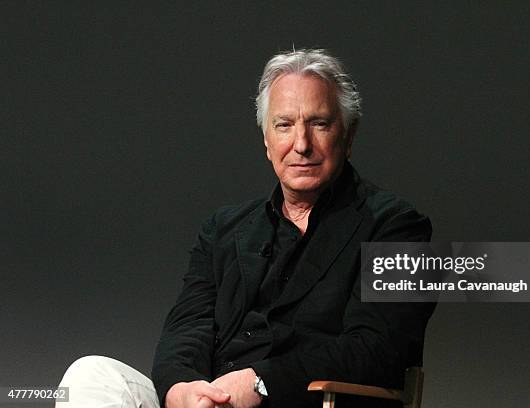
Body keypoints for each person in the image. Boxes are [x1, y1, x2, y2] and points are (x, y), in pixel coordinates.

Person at [56, 48, 435, 408]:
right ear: (267, 142)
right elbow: (187, 328)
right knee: (91, 375)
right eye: (284, 125)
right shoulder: (224, 228)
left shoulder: (397, 226)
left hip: (299, 399)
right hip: (212, 397)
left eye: (319, 124)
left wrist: (259, 383)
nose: (301, 144)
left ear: (348, 137)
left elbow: (376, 348)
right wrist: (181, 389)